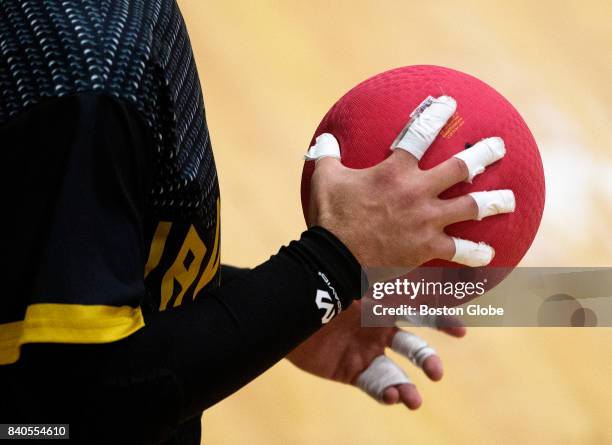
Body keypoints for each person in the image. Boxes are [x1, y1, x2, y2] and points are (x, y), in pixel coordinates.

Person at [0, 1, 513, 443]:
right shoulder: (82, 78)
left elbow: (49, 252)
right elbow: (70, 421)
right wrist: (329, 265)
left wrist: (277, 310)